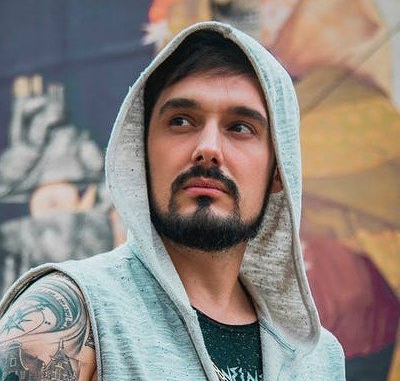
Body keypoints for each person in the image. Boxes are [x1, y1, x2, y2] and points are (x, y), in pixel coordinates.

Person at [0, 22, 345, 380]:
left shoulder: (318, 360)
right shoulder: (68, 316)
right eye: (181, 121)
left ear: (278, 170)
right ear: (141, 152)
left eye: (240, 127)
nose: (208, 148)